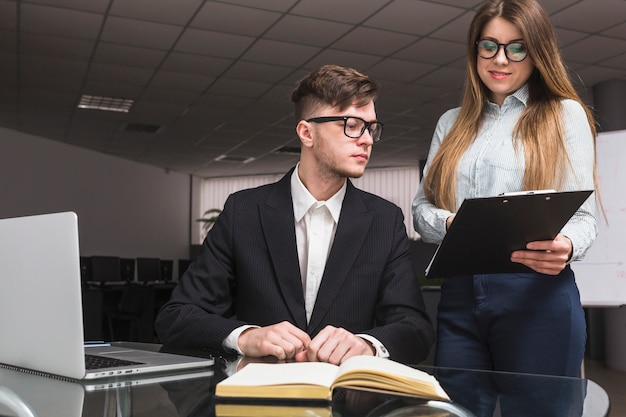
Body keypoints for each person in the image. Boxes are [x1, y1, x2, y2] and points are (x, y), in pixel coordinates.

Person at [156, 64, 434, 366]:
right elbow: (177, 316)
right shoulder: (243, 212)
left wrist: (366, 345)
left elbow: (415, 329)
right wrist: (246, 336)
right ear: (306, 133)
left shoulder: (385, 220)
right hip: (260, 401)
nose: (367, 139)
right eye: (352, 125)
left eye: (371, 127)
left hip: (348, 402)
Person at [412, 0, 598, 379]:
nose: (500, 60)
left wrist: (568, 246)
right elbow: (421, 210)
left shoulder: (563, 115)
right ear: (475, 50)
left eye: (517, 47)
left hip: (536, 293)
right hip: (459, 297)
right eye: (489, 45)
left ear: (537, 52)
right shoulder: (451, 123)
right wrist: (453, 224)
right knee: (457, 407)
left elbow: (583, 219)